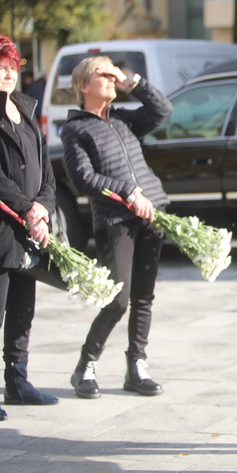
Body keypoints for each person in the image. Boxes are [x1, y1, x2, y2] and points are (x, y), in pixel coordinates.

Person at [61, 56, 172, 400]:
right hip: (115, 220)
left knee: (143, 298)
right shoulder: (75, 129)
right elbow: (83, 179)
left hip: (151, 212)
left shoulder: (123, 119)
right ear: (83, 86)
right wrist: (128, 193)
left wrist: (131, 81)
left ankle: (136, 367)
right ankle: (86, 364)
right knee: (118, 300)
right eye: (103, 74)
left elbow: (162, 110)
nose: (111, 79)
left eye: (113, 74)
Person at [0, 32, 59, 421]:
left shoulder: (25, 108)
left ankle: (17, 381)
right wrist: (28, 210)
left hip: (28, 229)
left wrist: (43, 207)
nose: (8, 74)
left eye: (12, 67)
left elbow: (46, 170)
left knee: (23, 309)